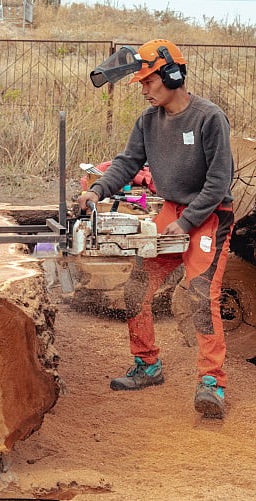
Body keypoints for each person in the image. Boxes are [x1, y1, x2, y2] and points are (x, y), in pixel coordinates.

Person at [80, 39, 234, 419]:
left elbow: (218, 183)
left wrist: (185, 223)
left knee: (200, 295)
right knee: (136, 288)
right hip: (171, 210)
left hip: (209, 216)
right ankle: (147, 365)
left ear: (172, 74)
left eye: (149, 82)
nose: (144, 90)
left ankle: (211, 382)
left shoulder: (208, 117)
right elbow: (127, 162)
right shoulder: (149, 121)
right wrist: (97, 191)